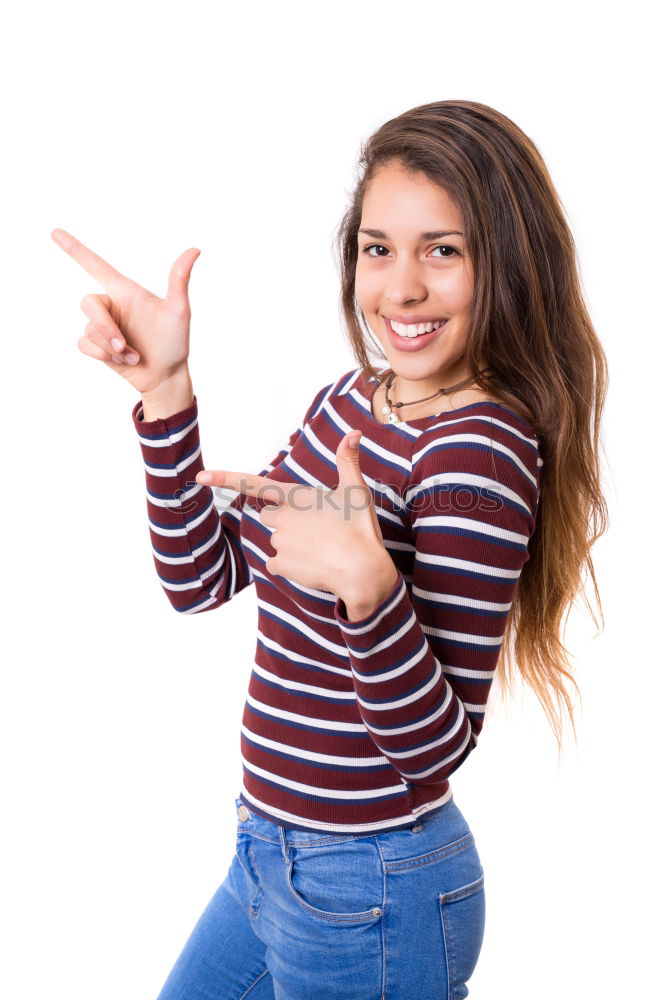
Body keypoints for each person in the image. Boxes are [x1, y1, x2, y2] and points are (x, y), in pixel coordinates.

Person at [52, 99, 609, 1000]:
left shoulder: (479, 451)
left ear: (506, 265)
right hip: (269, 855)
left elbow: (433, 748)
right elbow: (202, 576)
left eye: (444, 250)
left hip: (374, 885)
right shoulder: (347, 402)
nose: (401, 289)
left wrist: (372, 595)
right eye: (378, 248)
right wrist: (165, 395)